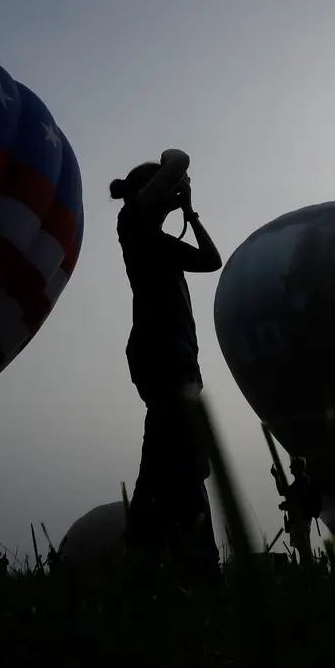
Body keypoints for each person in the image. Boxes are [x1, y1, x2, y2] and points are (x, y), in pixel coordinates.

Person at [110, 156, 223, 576]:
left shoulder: (158, 241)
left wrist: (189, 211)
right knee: (181, 451)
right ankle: (188, 560)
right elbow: (179, 158)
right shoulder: (133, 222)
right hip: (162, 350)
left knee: (170, 450)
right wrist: (175, 184)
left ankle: (153, 551)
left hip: (176, 352)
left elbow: (212, 260)